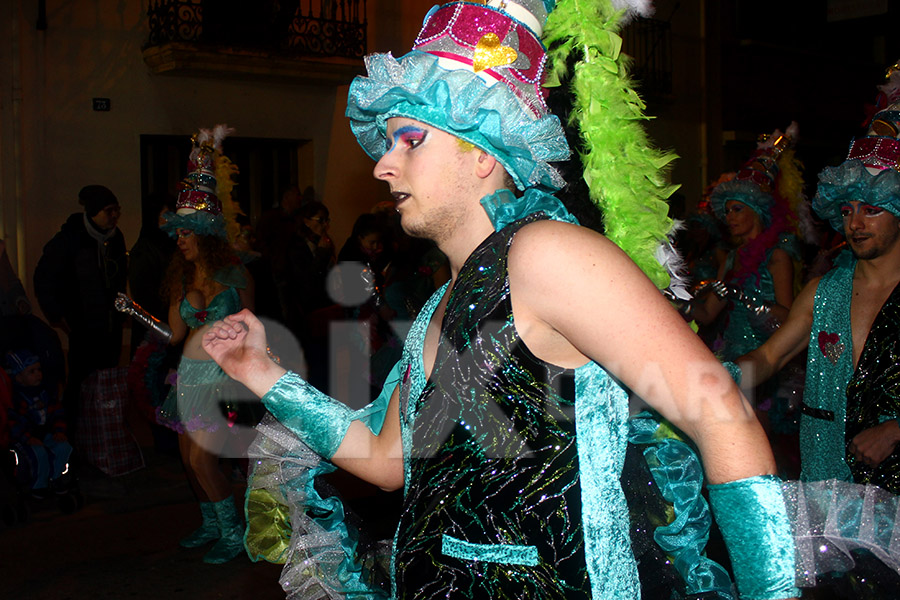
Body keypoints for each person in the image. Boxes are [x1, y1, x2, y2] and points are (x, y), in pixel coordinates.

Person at [202, 1, 801, 598]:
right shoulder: (446, 303)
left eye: (409, 140)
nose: (384, 166)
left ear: (483, 151)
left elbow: (719, 409)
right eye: (387, 145)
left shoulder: (545, 254)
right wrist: (259, 371)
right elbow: (389, 460)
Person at [736, 63, 900, 599]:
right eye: (848, 209)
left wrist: (897, 429)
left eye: (873, 209)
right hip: (825, 475)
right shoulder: (825, 290)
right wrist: (695, 377)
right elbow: (765, 359)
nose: (855, 222)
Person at [155, 125, 254, 564]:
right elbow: (175, 334)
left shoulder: (235, 276)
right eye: (177, 234)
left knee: (202, 461)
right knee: (186, 457)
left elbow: (253, 324)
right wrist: (146, 313)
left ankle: (235, 533)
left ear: (205, 233)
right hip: (188, 374)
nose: (180, 240)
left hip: (220, 376)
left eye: (186, 233)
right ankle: (212, 523)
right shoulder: (180, 276)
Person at [33, 185, 127, 434]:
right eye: (109, 211)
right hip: (83, 328)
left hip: (109, 327)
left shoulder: (115, 239)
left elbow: (118, 279)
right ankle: (72, 438)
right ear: (94, 212)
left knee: (106, 384)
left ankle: (103, 436)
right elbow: (44, 277)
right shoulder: (69, 240)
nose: (114, 216)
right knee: (79, 384)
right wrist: (58, 316)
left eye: (117, 210)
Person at [4, 349, 72, 500]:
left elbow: (58, 412)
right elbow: (13, 422)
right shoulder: (16, 398)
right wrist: (27, 438)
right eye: (31, 371)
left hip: (45, 433)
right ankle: (38, 486)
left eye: (39, 370)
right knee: (39, 453)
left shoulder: (45, 392)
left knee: (64, 447)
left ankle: (55, 478)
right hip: (25, 438)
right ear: (19, 378)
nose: (38, 374)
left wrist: (59, 430)